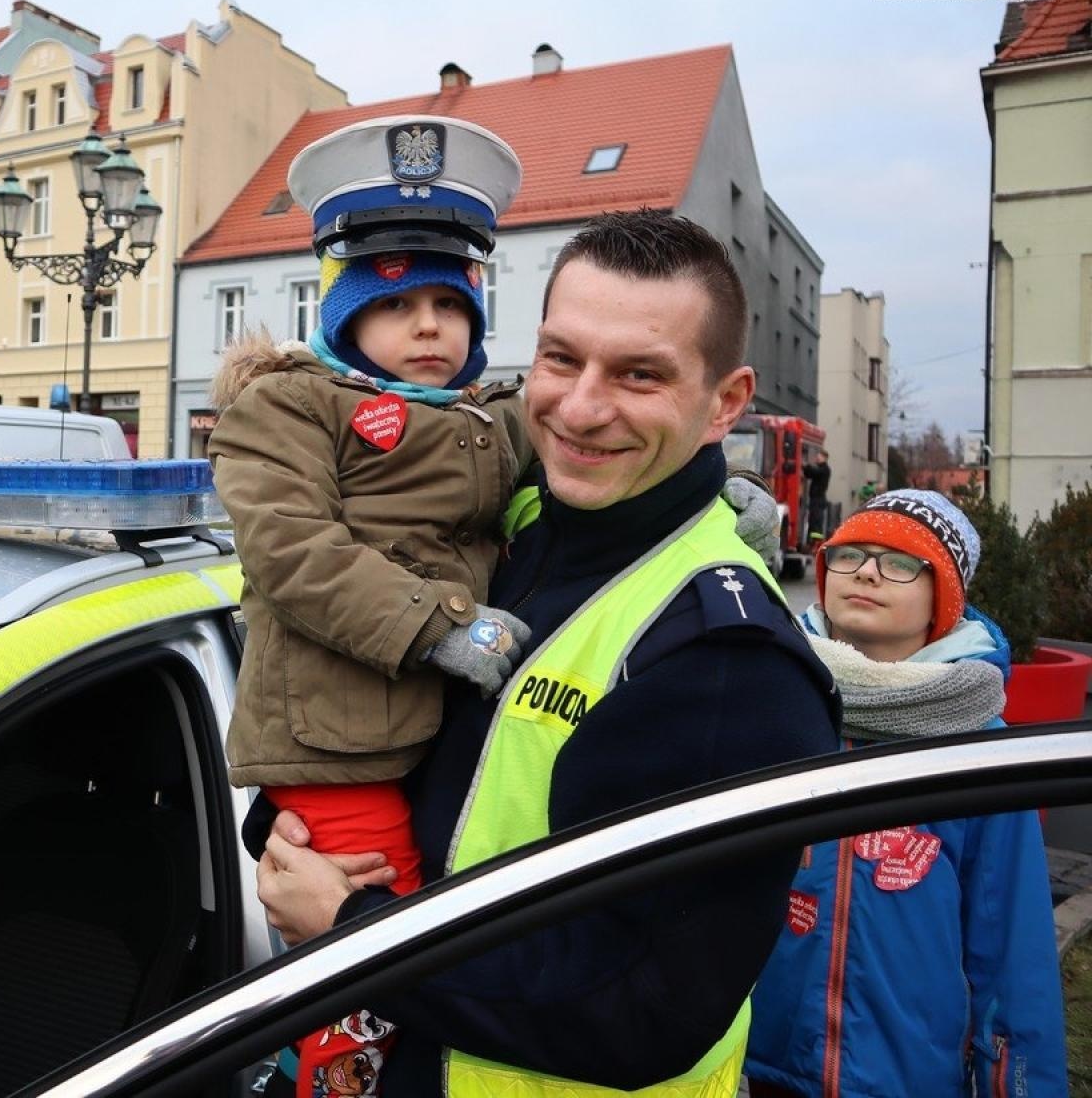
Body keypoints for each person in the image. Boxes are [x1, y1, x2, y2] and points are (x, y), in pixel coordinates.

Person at [254, 209, 843, 1096]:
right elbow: (426, 764)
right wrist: (294, 830)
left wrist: (354, 925)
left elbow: (642, 1009)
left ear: (725, 403)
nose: (579, 406)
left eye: (639, 374)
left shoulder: (730, 665)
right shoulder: (516, 535)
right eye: (562, 358)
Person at [208, 115, 534, 1097]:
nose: (430, 325)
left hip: (438, 740)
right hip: (333, 741)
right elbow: (291, 551)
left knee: (422, 948)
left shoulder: (494, 417)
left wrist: (700, 488)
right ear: (346, 310)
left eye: (450, 300)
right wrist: (439, 626)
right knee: (364, 962)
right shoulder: (288, 403)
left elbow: (584, 471)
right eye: (397, 302)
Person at [744, 489, 1067, 1097]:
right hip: (760, 1062)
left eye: (899, 561)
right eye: (850, 554)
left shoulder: (977, 750)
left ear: (941, 600)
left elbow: (1011, 949)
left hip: (905, 1076)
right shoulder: (775, 702)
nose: (867, 571)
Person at [803, 449, 831, 541]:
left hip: (818, 499)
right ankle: (812, 541)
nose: (817, 458)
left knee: (816, 522)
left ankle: (816, 542)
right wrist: (805, 468)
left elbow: (815, 472)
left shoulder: (825, 469)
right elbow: (809, 474)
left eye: (819, 457)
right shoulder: (820, 468)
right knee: (812, 521)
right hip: (815, 499)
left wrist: (805, 465)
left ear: (825, 458)